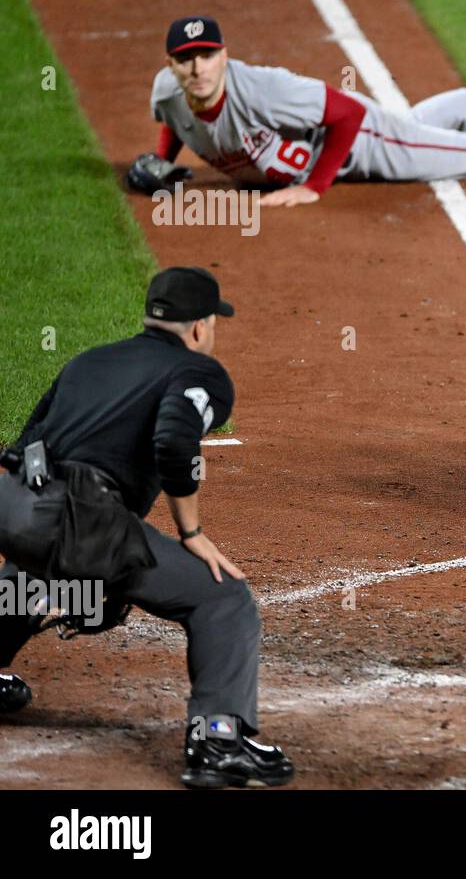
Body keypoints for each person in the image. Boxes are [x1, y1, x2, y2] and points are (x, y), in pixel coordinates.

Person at [0, 267, 295, 787]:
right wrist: (192, 532)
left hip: (14, 504)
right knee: (221, 597)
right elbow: (174, 442)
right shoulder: (201, 374)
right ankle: (219, 740)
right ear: (201, 327)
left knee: (43, 570)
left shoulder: (89, 361)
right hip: (78, 518)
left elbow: (22, 450)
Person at [126, 15, 466, 205]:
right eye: (185, 60)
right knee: (422, 125)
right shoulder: (168, 93)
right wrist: (163, 160)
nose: (197, 69)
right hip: (348, 145)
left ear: (223, 54)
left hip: (361, 144)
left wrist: (311, 188)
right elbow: (176, 119)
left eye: (205, 57)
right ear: (172, 63)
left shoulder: (262, 90)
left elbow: (348, 116)